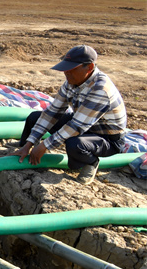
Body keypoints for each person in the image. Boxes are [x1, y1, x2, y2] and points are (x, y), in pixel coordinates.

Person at [14, 44, 127, 184]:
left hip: (107, 137)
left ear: (89, 67)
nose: (66, 73)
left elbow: (76, 127)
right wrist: (29, 144)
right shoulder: (73, 81)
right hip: (84, 124)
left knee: (75, 144)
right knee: (34, 117)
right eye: (65, 69)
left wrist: (44, 146)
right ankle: (22, 150)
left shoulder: (101, 89)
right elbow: (52, 112)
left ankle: (90, 162)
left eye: (72, 69)